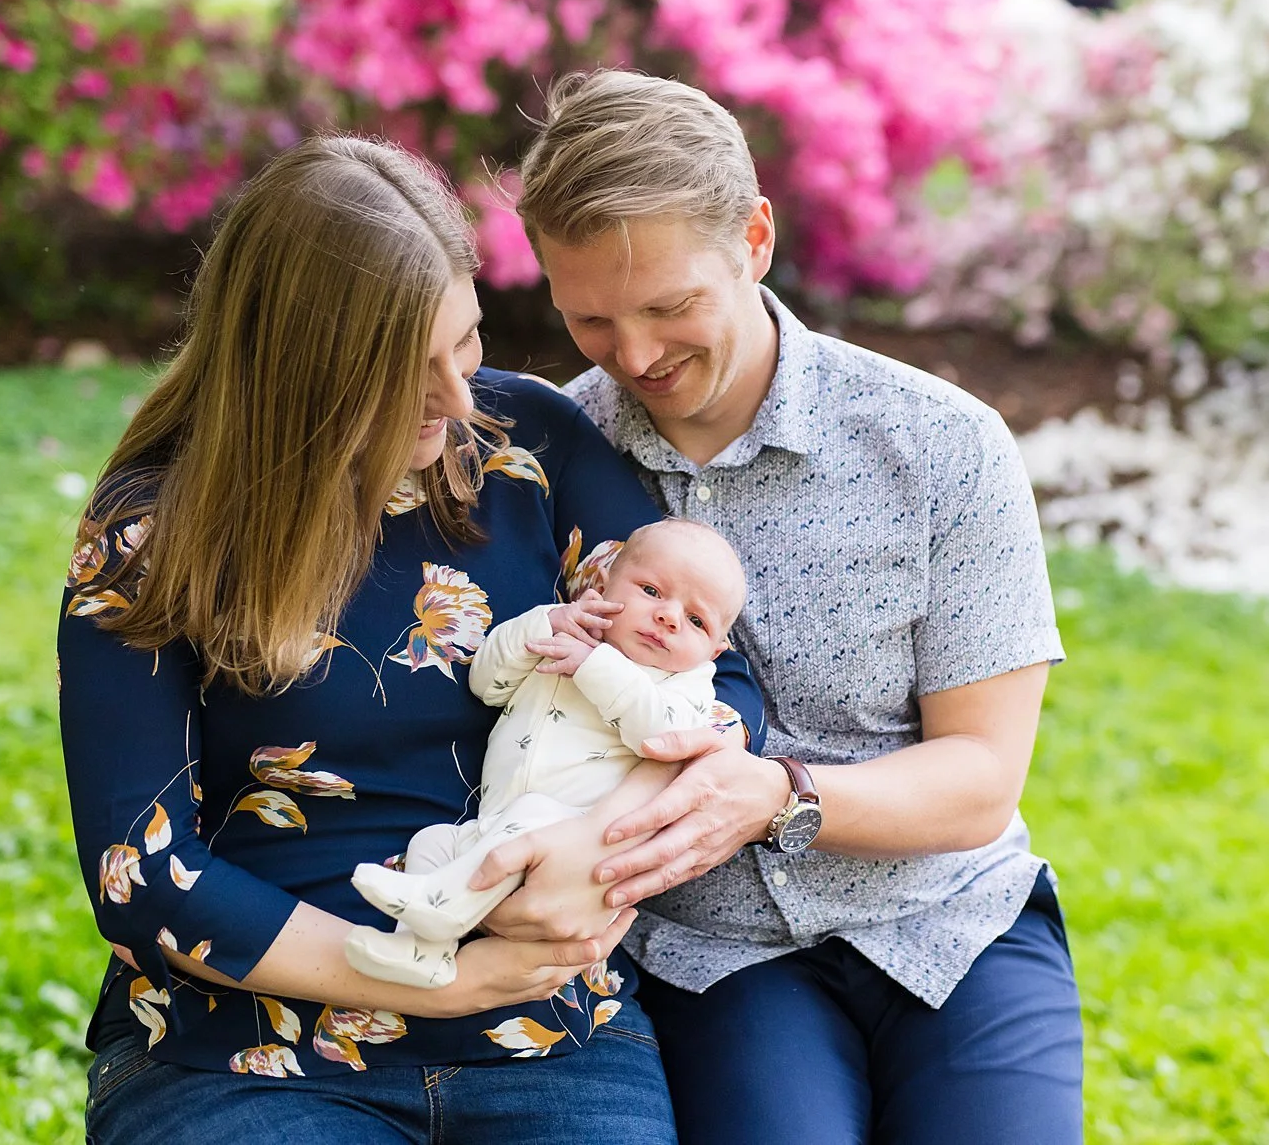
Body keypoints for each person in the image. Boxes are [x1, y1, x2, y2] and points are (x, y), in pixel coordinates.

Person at [56, 135, 769, 1145]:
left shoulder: (528, 448)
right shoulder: (153, 531)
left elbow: (718, 684)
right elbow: (144, 871)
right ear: (298, 372)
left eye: (465, 343)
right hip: (245, 1050)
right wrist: (433, 984)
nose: (456, 399)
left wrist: (589, 855)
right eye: (405, 371)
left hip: (548, 1034)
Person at [477, 69, 1083, 1144]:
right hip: (712, 957)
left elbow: (979, 782)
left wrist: (774, 796)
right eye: (590, 320)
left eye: (670, 308)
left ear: (754, 239)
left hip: (948, 921)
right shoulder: (547, 462)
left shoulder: (944, 446)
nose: (636, 358)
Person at [346, 518, 748, 988]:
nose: (669, 617)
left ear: (715, 651)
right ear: (603, 584)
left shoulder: (686, 684)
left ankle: (442, 907)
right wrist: (541, 624)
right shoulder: (566, 630)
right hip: (494, 829)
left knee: (534, 812)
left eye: (696, 621)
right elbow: (488, 686)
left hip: (572, 849)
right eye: (652, 591)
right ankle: (420, 950)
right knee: (432, 843)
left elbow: (661, 739)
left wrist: (596, 668)